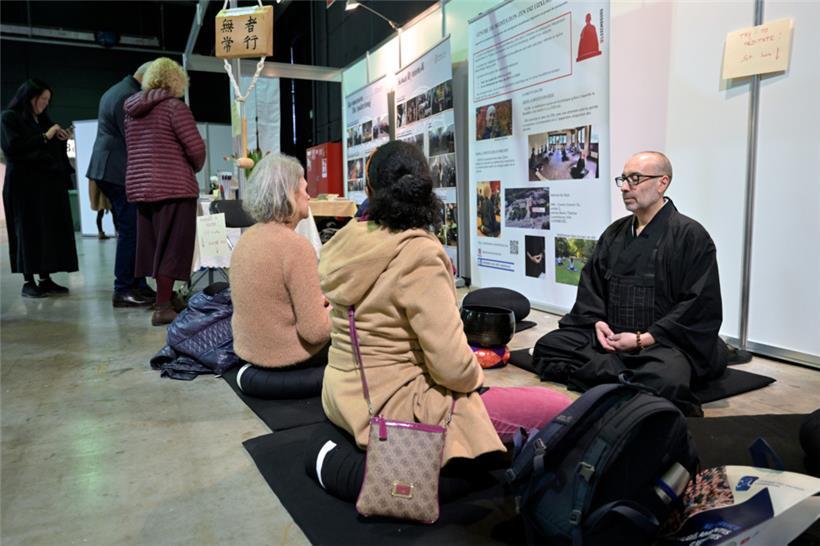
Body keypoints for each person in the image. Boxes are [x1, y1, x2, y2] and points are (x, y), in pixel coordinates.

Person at [311, 141, 571, 501]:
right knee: (559, 408)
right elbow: (453, 369)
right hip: (397, 405)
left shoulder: (346, 241)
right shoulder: (418, 250)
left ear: (369, 189)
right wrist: (475, 370)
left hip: (341, 396)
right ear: (423, 186)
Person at [532, 151, 728, 417]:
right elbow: (593, 287)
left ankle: (612, 375)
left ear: (663, 183)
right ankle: (625, 377)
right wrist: (597, 323)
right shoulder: (614, 233)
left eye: (634, 179)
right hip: (612, 337)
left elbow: (698, 303)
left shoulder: (690, 236)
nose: (625, 187)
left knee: (666, 377)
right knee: (548, 346)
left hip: (662, 343)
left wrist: (642, 339)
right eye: (623, 179)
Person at [229, 153, 331, 399]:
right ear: (288, 194)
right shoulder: (295, 247)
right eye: (304, 189)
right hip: (288, 358)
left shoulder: (246, 239)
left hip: (250, 353)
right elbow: (315, 332)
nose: (308, 195)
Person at [124, 57, 205, 325]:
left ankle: (167, 299)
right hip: (173, 188)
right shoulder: (174, 108)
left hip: (141, 188)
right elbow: (195, 148)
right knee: (173, 247)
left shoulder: (132, 111)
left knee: (154, 246)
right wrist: (195, 164)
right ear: (176, 80)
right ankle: (162, 307)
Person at [87, 61, 156, 308]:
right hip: (117, 170)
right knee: (131, 229)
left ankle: (137, 283)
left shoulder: (120, 90)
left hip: (111, 169)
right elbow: (134, 137)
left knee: (134, 228)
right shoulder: (128, 95)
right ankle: (124, 288)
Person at [1, 79, 78, 298]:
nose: (45, 104)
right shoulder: (9, 118)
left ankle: (45, 278)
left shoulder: (42, 119)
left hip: (44, 187)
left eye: (47, 100)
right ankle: (28, 281)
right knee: (27, 231)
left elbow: (48, 149)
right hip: (22, 187)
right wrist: (45, 136)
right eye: (42, 99)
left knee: (46, 231)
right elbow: (13, 148)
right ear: (29, 97)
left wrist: (62, 140)